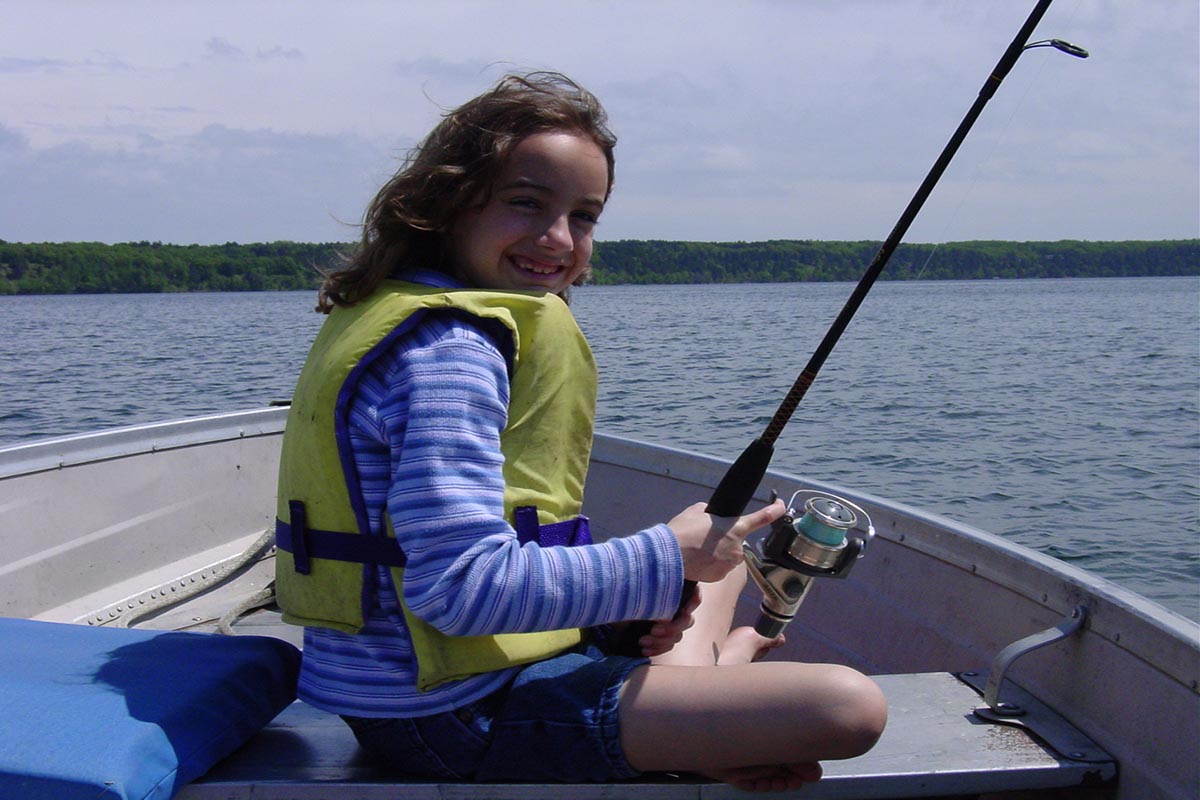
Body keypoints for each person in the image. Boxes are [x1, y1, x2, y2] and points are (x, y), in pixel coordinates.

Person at [273, 71, 886, 792]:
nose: (557, 238)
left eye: (584, 216)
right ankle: (712, 691)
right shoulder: (450, 357)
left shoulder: (422, 316)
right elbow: (460, 590)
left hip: (478, 674)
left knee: (720, 564)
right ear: (445, 204)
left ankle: (707, 684)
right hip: (447, 716)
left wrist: (633, 604)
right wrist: (658, 562)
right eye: (527, 203)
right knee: (847, 707)